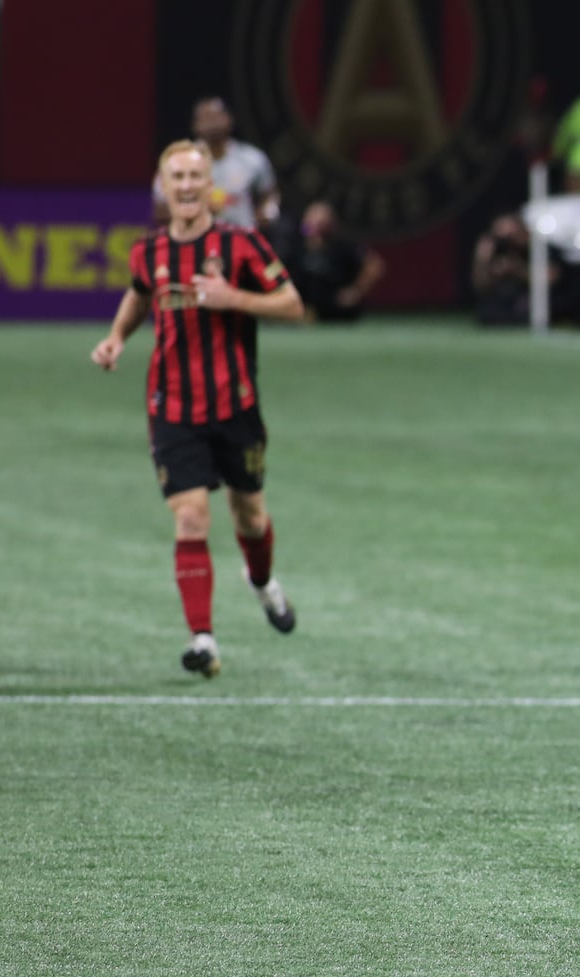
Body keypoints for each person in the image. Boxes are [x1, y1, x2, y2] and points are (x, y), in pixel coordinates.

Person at [92, 140, 304, 678]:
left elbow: (293, 304)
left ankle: (261, 583)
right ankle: (203, 640)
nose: (185, 186)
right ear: (163, 186)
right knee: (190, 517)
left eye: (194, 176)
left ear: (210, 184)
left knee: (249, 516)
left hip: (236, 405)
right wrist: (117, 337)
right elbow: (141, 293)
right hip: (172, 407)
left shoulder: (241, 246)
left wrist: (236, 299)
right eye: (176, 177)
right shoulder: (150, 251)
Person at [153, 97, 279, 230]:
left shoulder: (252, 158)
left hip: (241, 238)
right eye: (206, 118)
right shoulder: (178, 162)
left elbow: (269, 193)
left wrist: (269, 210)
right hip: (193, 240)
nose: (212, 123)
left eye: (216, 116)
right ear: (195, 125)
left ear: (229, 119)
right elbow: (160, 210)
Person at [280, 201, 385, 323]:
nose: (314, 224)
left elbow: (374, 265)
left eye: (320, 220)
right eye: (311, 219)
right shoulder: (294, 246)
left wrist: (355, 292)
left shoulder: (342, 244)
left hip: (337, 312)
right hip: (303, 312)